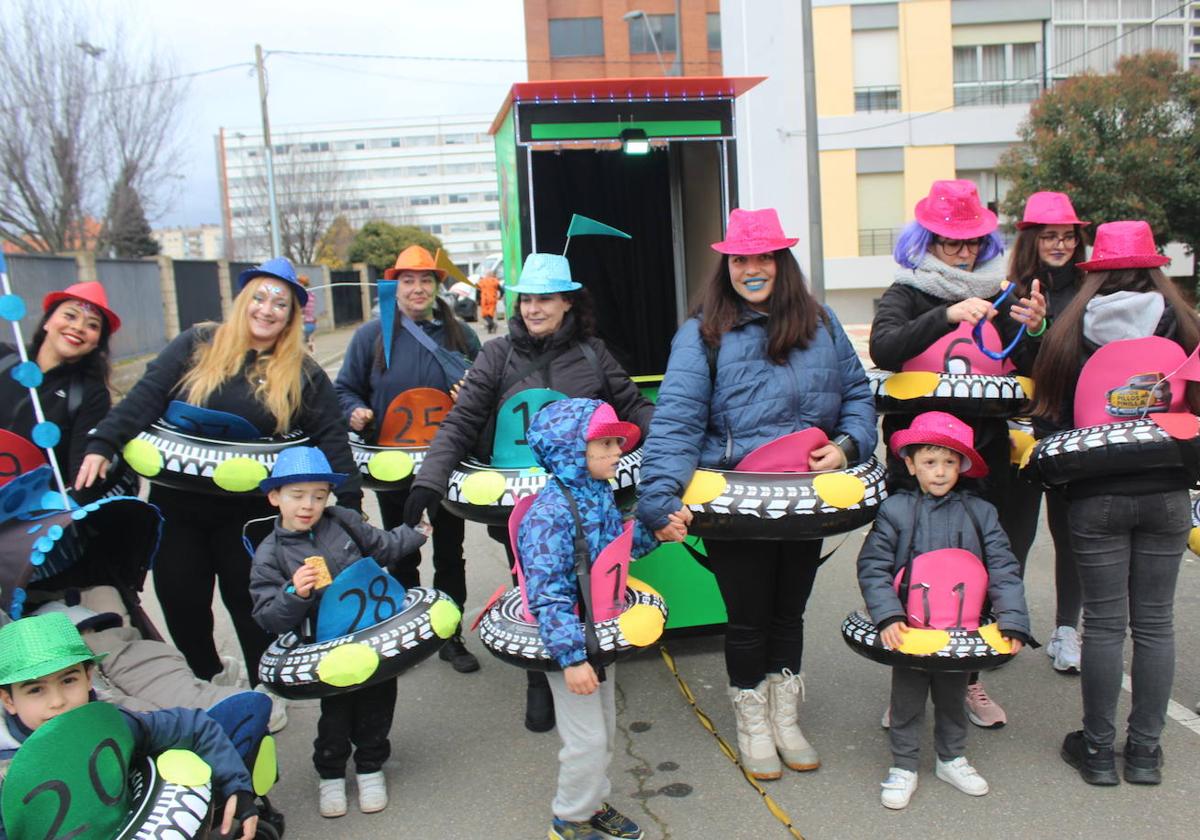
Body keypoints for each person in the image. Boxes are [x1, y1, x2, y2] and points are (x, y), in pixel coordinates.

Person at [637, 208, 877, 780]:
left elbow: (858, 397)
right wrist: (658, 497)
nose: (751, 268)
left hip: (805, 500)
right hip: (734, 504)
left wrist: (847, 445)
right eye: (740, 258)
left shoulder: (822, 322)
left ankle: (785, 717)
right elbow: (676, 421)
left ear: (780, 262)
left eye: (762, 257)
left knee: (789, 613)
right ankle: (752, 721)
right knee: (747, 618)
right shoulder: (702, 333)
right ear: (727, 265)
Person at [75, 257, 362, 687]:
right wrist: (103, 443)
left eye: (280, 304)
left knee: (252, 604)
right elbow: (146, 396)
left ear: (290, 316)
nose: (267, 309)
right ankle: (209, 676)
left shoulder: (302, 372)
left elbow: (332, 438)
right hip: (175, 506)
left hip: (248, 514)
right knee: (181, 601)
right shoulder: (198, 343)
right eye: (260, 298)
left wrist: (352, 507)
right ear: (244, 300)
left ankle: (266, 685)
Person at [407, 251, 654, 733]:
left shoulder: (592, 353)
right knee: (537, 585)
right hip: (519, 505)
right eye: (525, 300)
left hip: (585, 499)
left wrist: (670, 453)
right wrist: (429, 481)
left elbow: (633, 406)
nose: (533, 309)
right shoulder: (496, 355)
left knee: (590, 582)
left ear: (567, 303)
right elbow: (462, 422)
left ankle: (586, 667)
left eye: (544, 299)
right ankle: (542, 678)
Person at [870, 179, 1045, 728]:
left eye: (971, 241)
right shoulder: (907, 291)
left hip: (986, 457)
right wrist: (944, 316)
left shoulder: (1004, 291)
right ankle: (907, 687)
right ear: (927, 238)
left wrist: (1037, 329)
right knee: (913, 569)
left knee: (981, 569)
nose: (964, 251)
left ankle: (966, 682)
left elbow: (1032, 364)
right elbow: (884, 347)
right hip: (919, 461)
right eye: (951, 241)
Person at [1029, 220, 1199, 787]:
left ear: (1094, 271)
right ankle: (1146, 753)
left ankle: (1099, 753)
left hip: (1095, 495)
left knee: (1102, 625)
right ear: (1155, 268)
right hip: (1168, 490)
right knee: (1155, 624)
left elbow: (1047, 422)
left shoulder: (1070, 332)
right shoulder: (1184, 328)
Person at [518, 398, 687, 840]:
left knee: (605, 731)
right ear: (572, 449)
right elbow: (548, 595)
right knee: (587, 740)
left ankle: (590, 803)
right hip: (567, 641)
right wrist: (571, 659)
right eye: (605, 444)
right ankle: (569, 821)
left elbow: (615, 556)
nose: (617, 452)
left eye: (616, 443)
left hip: (595, 634)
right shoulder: (550, 515)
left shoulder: (597, 494)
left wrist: (657, 534)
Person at [856, 411, 1029, 809]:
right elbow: (874, 566)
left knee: (953, 697)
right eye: (930, 462)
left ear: (963, 467)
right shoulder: (895, 511)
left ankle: (952, 758)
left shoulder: (980, 513)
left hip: (961, 631)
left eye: (949, 462)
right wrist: (888, 615)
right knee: (907, 699)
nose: (940, 472)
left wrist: (1013, 619)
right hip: (912, 629)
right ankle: (903, 765)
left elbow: (1003, 566)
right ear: (911, 464)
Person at [248, 446, 427, 817]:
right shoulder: (270, 553)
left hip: (372, 634)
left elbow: (382, 547)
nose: (307, 505)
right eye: (296, 496)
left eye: (317, 495)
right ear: (274, 497)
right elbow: (267, 617)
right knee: (337, 713)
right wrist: (293, 593)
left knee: (378, 704)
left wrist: (416, 533)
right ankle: (330, 773)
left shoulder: (342, 521)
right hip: (325, 650)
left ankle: (371, 766)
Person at [335, 245, 482, 674]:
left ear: (437, 286)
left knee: (450, 552)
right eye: (408, 280)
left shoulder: (460, 334)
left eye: (426, 280)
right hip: (392, 466)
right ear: (394, 285)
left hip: (445, 464)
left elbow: (485, 388)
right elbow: (345, 389)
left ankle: (451, 636)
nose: (418, 289)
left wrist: (469, 394)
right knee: (401, 551)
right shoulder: (370, 335)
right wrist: (355, 413)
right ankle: (406, 633)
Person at [0, 613, 258, 839]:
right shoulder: (4, 772)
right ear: (8, 700)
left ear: (89, 678)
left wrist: (236, 785)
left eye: (68, 680)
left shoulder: (113, 722)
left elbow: (195, 726)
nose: (57, 702)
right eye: (35, 690)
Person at [1003, 192, 1090, 675]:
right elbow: (1016, 364)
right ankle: (1009, 624)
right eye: (1049, 236)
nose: (1059, 244)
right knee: (1014, 534)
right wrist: (1032, 330)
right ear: (1032, 241)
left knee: (1071, 535)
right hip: (1020, 432)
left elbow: (1081, 364)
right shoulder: (1010, 290)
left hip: (1073, 428)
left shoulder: (1091, 288)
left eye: (1067, 235)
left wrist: (1045, 328)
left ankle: (1065, 631)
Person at [0, 281, 122, 502]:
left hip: (28, 513)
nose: (78, 327)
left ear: (97, 343)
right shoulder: (4, 358)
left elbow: (81, 478)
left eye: (92, 325)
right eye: (70, 316)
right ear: (47, 321)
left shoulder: (90, 395)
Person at [299, 275, 318, 353]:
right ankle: (313, 354)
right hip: (312, 322)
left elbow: (301, 310)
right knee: (310, 342)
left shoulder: (303, 296)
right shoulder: (312, 295)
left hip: (304, 323)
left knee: (302, 345)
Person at [478, 270, 501, 334]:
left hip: (484, 300)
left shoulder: (482, 281)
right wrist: (500, 296)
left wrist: (478, 300)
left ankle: (492, 324)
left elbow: (478, 290)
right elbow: (501, 290)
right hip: (493, 299)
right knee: (490, 315)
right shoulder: (495, 281)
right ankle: (490, 329)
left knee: (484, 315)